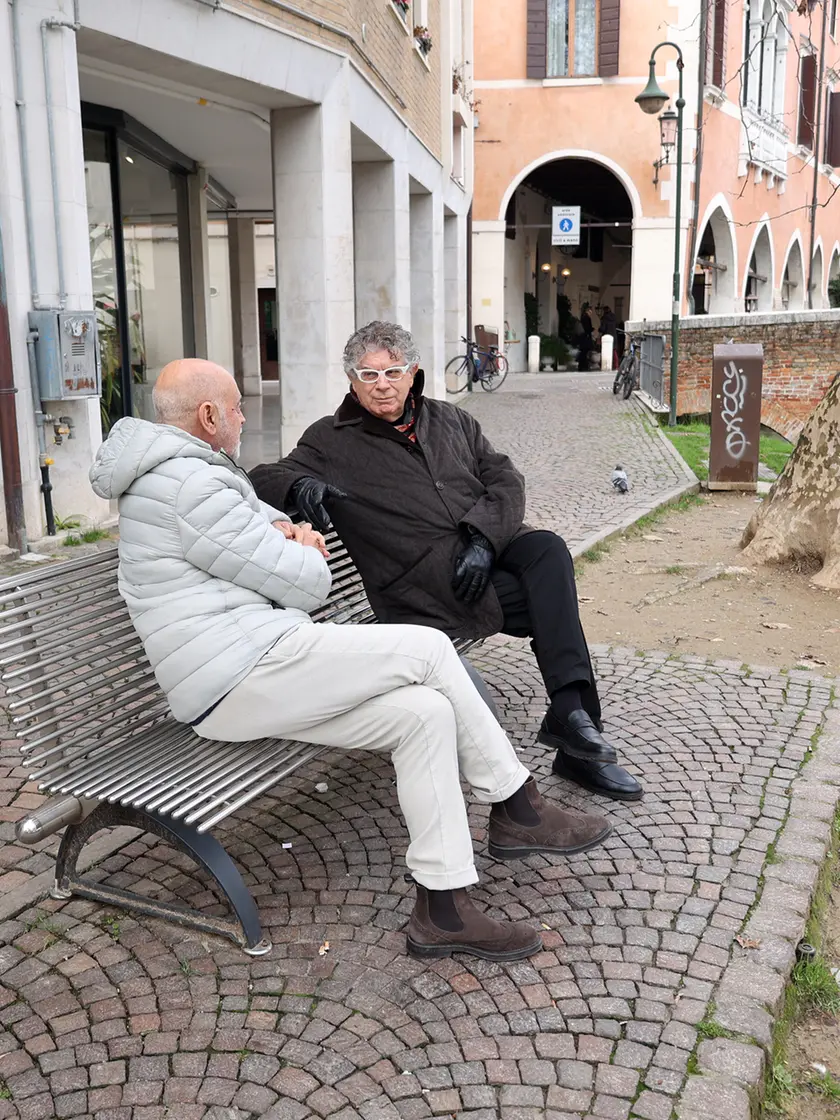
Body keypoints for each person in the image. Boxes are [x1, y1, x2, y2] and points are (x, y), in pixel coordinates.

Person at [89, 357, 612, 963]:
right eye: (235, 406)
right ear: (208, 415)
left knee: (421, 714)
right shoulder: (189, 484)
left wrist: (290, 531)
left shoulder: (195, 475)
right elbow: (307, 585)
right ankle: (517, 805)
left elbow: (271, 526)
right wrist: (302, 544)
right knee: (428, 648)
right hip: (239, 673)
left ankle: (443, 910)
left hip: (256, 662)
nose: (241, 416)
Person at [250, 322, 643, 802]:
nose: (382, 384)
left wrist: (481, 538)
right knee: (549, 601)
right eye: (368, 374)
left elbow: (504, 477)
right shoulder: (331, 440)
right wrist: (297, 487)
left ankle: (572, 720)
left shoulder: (450, 420)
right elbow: (264, 476)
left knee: (549, 551)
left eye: (393, 371)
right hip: (428, 585)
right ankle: (576, 733)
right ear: (351, 379)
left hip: (487, 553)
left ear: (413, 373)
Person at [577, 303, 595, 371]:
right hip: (586, 337)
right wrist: (592, 329)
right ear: (587, 311)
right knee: (585, 351)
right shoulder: (587, 318)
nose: (591, 313)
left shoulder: (583, 317)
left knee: (584, 351)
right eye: (590, 312)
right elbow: (587, 328)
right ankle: (583, 365)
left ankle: (582, 365)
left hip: (583, 337)